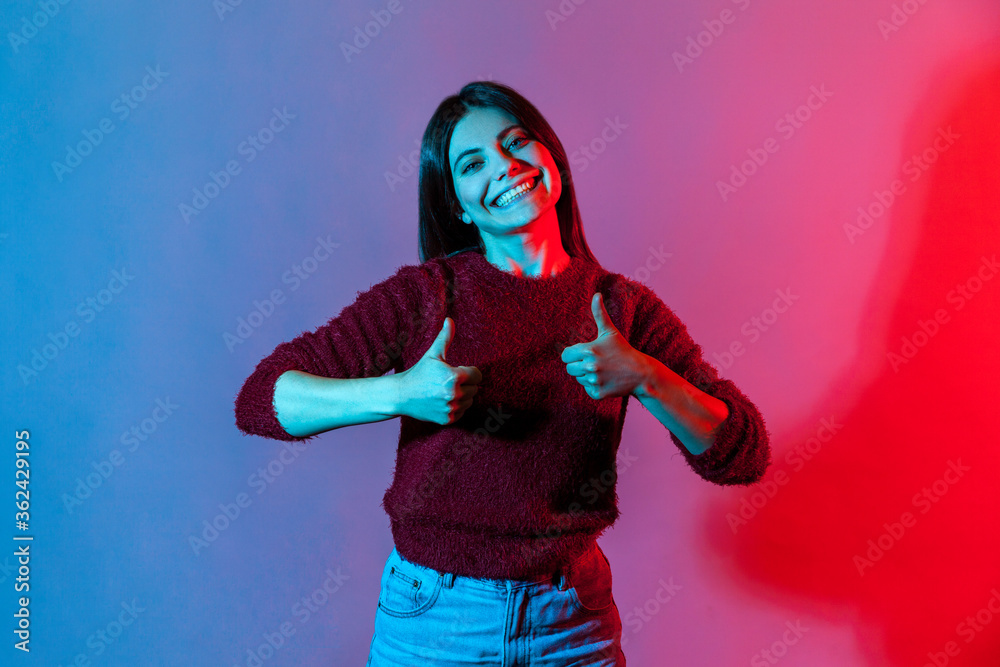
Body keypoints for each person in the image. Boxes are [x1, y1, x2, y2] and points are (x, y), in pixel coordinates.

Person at [234, 80, 771, 666]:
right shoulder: (426, 296)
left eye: (517, 143)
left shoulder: (623, 309)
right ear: (458, 204)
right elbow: (263, 400)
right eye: (473, 163)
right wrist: (399, 393)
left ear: (551, 159)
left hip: (574, 623)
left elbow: (740, 454)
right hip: (437, 620)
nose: (506, 166)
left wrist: (647, 376)